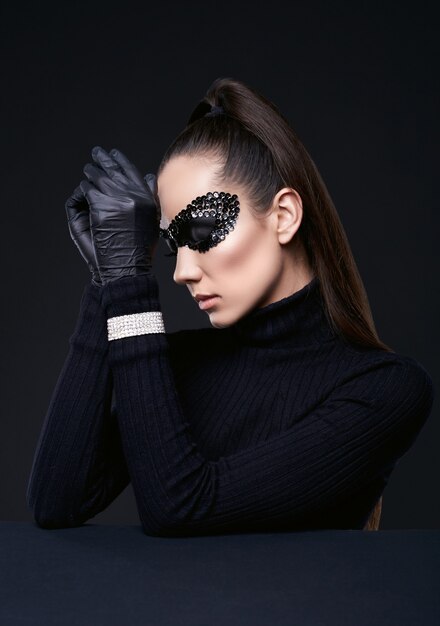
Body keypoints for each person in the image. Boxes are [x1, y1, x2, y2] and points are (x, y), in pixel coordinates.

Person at [26, 77, 434, 537]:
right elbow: (55, 503)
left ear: (283, 217)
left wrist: (127, 283)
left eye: (198, 234)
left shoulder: (385, 390)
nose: (180, 271)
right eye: (170, 243)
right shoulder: (181, 368)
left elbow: (181, 506)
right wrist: (106, 281)